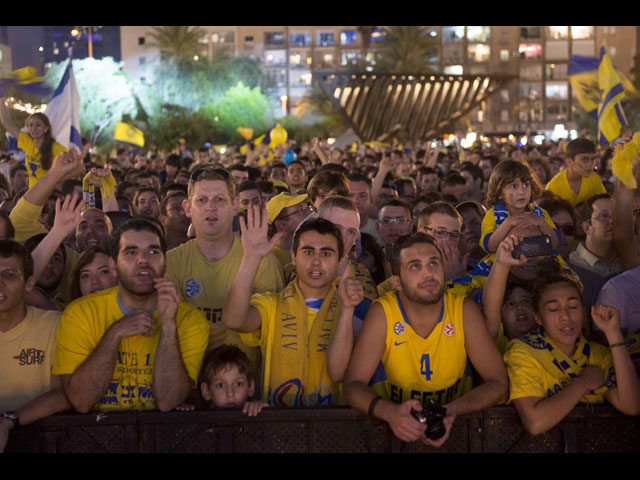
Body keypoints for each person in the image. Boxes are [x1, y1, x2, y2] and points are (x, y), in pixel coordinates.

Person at [342, 233, 508, 447]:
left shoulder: (463, 310)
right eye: (414, 266)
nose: (428, 273)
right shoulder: (383, 312)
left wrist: (450, 411)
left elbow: (499, 384)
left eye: (433, 263)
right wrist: (392, 413)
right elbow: (352, 386)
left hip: (454, 434)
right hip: (390, 436)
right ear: (397, 282)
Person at [52, 218, 209, 413]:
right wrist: (114, 333)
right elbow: (81, 401)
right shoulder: (80, 313)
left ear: (165, 261)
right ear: (113, 265)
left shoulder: (191, 321)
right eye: (131, 252)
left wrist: (169, 326)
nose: (143, 260)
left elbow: (169, 401)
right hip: (97, 437)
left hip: (163, 440)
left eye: (153, 252)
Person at [222, 214, 364, 406]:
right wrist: (251, 259)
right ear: (293, 257)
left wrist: (347, 310)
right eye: (308, 252)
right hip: (279, 427)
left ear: (340, 262)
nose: (316, 261)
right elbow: (233, 320)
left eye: (326, 253)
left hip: (331, 426)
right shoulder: (272, 305)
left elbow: (339, 373)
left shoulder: (353, 308)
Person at [165, 167, 284, 370]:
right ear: (187, 207)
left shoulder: (264, 262)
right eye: (201, 200)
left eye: (219, 199)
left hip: (245, 392)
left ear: (235, 205)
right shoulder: (171, 263)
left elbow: (275, 336)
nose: (210, 207)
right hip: (188, 388)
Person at [503, 272, 640, 435]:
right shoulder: (522, 351)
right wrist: (583, 382)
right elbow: (535, 422)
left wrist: (614, 334)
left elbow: (632, 406)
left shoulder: (598, 354)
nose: (566, 317)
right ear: (538, 317)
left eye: (573, 307)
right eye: (553, 309)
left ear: (583, 312)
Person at [0, 240, 70, 453]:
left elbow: (66, 394)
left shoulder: (55, 325)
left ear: (29, 284)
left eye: (9, 275)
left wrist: (8, 421)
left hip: (44, 442)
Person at [481, 159, 560, 254]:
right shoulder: (492, 216)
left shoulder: (540, 214)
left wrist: (542, 223)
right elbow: (490, 247)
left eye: (526, 185)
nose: (521, 192)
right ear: (499, 193)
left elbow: (555, 244)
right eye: (514, 186)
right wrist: (508, 223)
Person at [0, 97, 67, 188]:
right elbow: (6, 122)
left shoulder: (57, 148)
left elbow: (79, 169)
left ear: (46, 128)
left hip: (49, 196)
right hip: (31, 195)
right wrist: (2, 96)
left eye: (38, 125)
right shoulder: (28, 143)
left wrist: (51, 181)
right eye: (30, 125)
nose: (33, 128)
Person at [199, 344, 268, 416]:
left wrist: (264, 413)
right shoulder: (197, 422)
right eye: (220, 385)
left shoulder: (254, 413)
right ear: (206, 390)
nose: (230, 394)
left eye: (238, 384)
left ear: (250, 387)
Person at [545, 138, 607, 207]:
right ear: (569, 162)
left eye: (592, 159)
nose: (591, 164)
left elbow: (604, 205)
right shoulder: (554, 186)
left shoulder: (594, 179)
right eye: (585, 159)